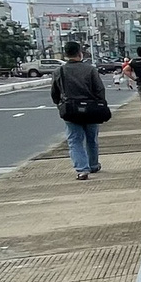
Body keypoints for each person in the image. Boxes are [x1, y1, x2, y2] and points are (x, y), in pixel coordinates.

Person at [50, 40, 109, 181]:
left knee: (74, 140)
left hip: (71, 110)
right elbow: (100, 89)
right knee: (92, 139)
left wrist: (59, 104)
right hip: (91, 109)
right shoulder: (90, 69)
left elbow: (55, 92)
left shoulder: (59, 71)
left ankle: (82, 170)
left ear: (66, 54)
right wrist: (100, 103)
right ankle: (93, 164)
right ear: (80, 53)